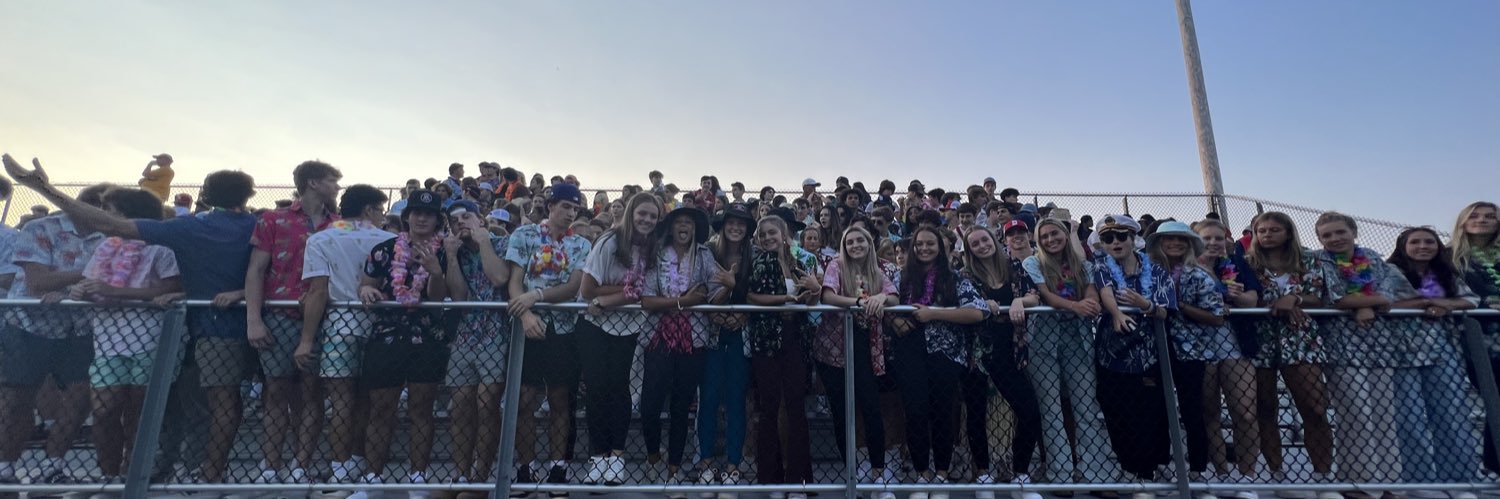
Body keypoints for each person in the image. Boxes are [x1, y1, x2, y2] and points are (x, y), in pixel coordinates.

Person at [6, 155, 258, 484]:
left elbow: (165, 274)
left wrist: (43, 188)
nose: (106, 216)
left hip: (167, 336)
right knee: (123, 409)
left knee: (155, 409)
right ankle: (125, 476)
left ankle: (159, 474)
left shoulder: (180, 232)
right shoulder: (256, 225)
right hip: (130, 337)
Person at [68, 188, 182, 484]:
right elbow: (89, 283)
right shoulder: (105, 247)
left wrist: (121, 293)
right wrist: (78, 291)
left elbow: (172, 288)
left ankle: (131, 473)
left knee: (138, 411)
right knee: (104, 410)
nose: (107, 216)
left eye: (113, 211)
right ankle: (107, 475)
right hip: (106, 340)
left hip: (149, 338)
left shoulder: (161, 248)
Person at [0, 180, 109, 485]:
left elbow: (109, 281)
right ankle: (5, 466)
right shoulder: (41, 228)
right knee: (18, 398)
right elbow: (37, 283)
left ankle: (54, 464)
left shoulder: (108, 237)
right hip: (30, 325)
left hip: (80, 328)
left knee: (80, 397)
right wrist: (87, 277)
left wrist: (75, 284)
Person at [244, 160, 341, 484]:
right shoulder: (274, 219)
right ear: (313, 183)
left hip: (324, 317)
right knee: (276, 391)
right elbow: (257, 270)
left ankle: (301, 465)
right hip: (280, 315)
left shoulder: (339, 224)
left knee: (312, 393)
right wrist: (253, 320)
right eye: (331, 180)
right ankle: (270, 466)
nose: (337, 186)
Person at [350, 189, 452, 490]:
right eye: (416, 212)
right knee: (381, 408)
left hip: (428, 337)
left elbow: (439, 298)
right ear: (407, 216)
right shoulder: (384, 249)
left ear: (437, 219)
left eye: (429, 214)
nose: (422, 218)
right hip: (387, 335)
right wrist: (366, 291)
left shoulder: (445, 252)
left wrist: (435, 272)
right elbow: (367, 285)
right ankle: (372, 479)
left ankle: (417, 479)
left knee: (422, 408)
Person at [296, 185, 394, 485]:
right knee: (371, 399)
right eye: (379, 210)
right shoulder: (390, 239)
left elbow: (318, 291)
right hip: (380, 327)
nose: (381, 216)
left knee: (340, 400)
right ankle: (362, 462)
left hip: (340, 326)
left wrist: (307, 339)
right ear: (368, 209)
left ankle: (340, 468)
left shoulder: (322, 238)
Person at [506, 183, 590, 495]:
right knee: (524, 400)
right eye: (566, 206)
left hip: (564, 330)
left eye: (576, 208)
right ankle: (524, 469)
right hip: (526, 328)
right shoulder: (523, 235)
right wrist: (526, 315)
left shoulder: (581, 243)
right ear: (551, 205)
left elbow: (572, 287)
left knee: (559, 400)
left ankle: (558, 470)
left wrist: (537, 296)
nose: (571, 213)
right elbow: (514, 282)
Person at [889, 225, 985, 499]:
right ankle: (923, 474)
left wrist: (935, 314)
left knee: (943, 411)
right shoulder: (902, 278)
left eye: (930, 244)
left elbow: (977, 312)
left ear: (941, 248)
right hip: (909, 352)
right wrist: (895, 320)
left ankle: (941, 473)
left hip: (945, 351)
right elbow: (886, 303)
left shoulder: (955, 279)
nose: (924, 248)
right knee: (916, 412)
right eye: (919, 244)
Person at [1243, 212, 1334, 498]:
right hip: (1261, 339)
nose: (1267, 235)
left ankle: (1322, 477)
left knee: (1315, 408)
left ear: (1288, 232)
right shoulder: (1248, 264)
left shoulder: (1309, 260)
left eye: (1274, 229)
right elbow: (1249, 296)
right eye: (1261, 230)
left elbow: (1318, 297)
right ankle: (1277, 474)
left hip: (1300, 337)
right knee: (1265, 408)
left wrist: (1293, 299)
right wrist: (1278, 303)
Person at [1385, 226, 1481, 495]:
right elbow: (1384, 303)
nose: (1423, 246)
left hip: (1442, 350)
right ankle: (1419, 482)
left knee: (1452, 414)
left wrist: (1447, 305)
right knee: (1409, 418)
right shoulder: (1389, 272)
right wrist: (1424, 304)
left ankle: (1460, 481)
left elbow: (1471, 299)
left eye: (1429, 241)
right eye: (1415, 242)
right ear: (1403, 246)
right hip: (1401, 352)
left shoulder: (1445, 272)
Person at [1020, 218, 1114, 487]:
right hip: (1043, 341)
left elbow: (1091, 293)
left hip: (1078, 338)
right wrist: (1077, 307)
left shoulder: (1083, 264)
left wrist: (1090, 302)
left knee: (1085, 406)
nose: (1050, 240)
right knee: (1051, 409)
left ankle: (1097, 474)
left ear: (1064, 234)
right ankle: (1060, 474)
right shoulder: (1033, 263)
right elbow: (1047, 297)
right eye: (1045, 236)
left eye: (1055, 234)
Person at [1313, 212, 1402, 493]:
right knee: (1356, 413)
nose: (1334, 239)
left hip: (1378, 345)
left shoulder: (1373, 257)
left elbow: (1389, 291)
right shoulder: (1319, 259)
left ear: (1353, 232)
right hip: (1340, 346)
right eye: (1327, 235)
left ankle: (1391, 481)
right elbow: (1335, 296)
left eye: (1340, 232)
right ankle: (1360, 481)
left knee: (1384, 414)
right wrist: (1367, 304)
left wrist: (1367, 303)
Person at [578, 191, 662, 485]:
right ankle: (597, 457)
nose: (647, 220)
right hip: (595, 327)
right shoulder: (610, 242)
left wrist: (608, 300)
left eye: (653, 216)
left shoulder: (653, 249)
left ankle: (616, 456)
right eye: (643, 214)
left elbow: (642, 294)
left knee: (619, 390)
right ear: (630, 213)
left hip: (627, 327)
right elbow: (588, 289)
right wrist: (618, 295)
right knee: (597, 390)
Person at [639, 207, 725, 491]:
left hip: (695, 339)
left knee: (680, 407)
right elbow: (648, 300)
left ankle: (673, 469)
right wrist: (683, 302)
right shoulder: (657, 253)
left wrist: (729, 285)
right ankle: (653, 456)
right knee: (649, 406)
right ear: (671, 227)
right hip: (658, 338)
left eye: (689, 222)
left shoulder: (704, 255)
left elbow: (712, 292)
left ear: (695, 228)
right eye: (679, 222)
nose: (684, 226)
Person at [1090, 215, 1174, 495]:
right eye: (1108, 238)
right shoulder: (1101, 266)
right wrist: (1116, 313)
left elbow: (1166, 311)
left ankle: (1146, 472)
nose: (1115, 242)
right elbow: (1105, 292)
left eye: (1121, 236)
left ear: (1132, 238)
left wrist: (1146, 305)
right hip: (1111, 354)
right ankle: (1128, 468)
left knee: (1149, 413)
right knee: (1116, 412)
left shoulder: (1157, 270)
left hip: (1148, 354)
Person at [957, 227, 1043, 499]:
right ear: (969, 250)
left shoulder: (1014, 266)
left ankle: (1020, 474)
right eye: (975, 244)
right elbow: (967, 301)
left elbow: (1034, 296)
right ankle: (983, 474)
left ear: (993, 241)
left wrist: (1018, 300)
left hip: (1010, 351)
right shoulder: (966, 274)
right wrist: (984, 302)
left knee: (1029, 410)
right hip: (978, 354)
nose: (982, 246)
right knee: (976, 414)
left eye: (985, 240)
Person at [817, 226, 899, 498]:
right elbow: (828, 296)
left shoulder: (880, 268)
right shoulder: (835, 265)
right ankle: (852, 470)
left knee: (871, 409)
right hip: (832, 350)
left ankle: (878, 473)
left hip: (867, 347)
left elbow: (894, 296)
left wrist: (880, 297)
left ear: (869, 243)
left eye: (860, 240)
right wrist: (859, 302)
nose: (855, 245)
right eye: (849, 241)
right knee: (841, 413)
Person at [746, 214, 820, 497]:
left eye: (771, 233)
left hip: (795, 340)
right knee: (768, 409)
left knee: (796, 409)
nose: (767, 238)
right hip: (767, 342)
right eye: (762, 235)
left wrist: (813, 291)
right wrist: (785, 300)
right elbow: (752, 296)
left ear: (784, 233)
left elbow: (810, 299)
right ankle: (771, 480)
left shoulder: (798, 264)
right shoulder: (760, 262)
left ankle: (799, 480)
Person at [442, 200, 512, 484]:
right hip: (465, 334)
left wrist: (484, 242)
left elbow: (498, 278)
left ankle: (481, 474)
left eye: (467, 217)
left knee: (487, 403)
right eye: (454, 220)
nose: (461, 223)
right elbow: (458, 297)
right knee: (459, 404)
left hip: (496, 334)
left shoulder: (502, 243)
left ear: (480, 220)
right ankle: (461, 474)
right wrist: (450, 257)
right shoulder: (455, 252)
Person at [1147, 221, 1219, 485]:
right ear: (1159, 244)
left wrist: (1180, 305)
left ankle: (1198, 468)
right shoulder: (1148, 273)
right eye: (1169, 240)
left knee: (1192, 410)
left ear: (1189, 244)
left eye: (1181, 240)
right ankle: (1160, 462)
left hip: (1189, 351)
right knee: (1157, 410)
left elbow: (1216, 316)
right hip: (1154, 349)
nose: (1175, 244)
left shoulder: (1199, 275)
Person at [1192, 219, 1262, 493]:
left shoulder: (1236, 264)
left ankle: (1247, 475)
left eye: (1217, 238)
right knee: (1209, 412)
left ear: (1227, 241)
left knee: (1244, 412)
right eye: (1206, 239)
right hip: (1200, 346)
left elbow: (1253, 300)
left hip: (1235, 343)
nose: (1212, 243)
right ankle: (1221, 473)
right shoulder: (1186, 269)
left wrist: (1235, 296)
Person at [695, 203, 755, 493]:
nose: (736, 227)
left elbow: (758, 294)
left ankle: (733, 463)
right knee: (707, 398)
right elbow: (695, 287)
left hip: (740, 334)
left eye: (742, 223)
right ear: (723, 224)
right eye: (731, 221)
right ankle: (705, 461)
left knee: (735, 401)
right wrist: (712, 311)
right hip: (710, 333)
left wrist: (742, 311)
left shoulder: (752, 255)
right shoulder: (706, 251)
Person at [1451, 201, 1500, 472]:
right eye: (1475, 215)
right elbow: (1435, 291)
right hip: (1476, 341)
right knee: (1495, 399)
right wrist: (1483, 305)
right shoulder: (1449, 256)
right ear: (1462, 222)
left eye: (1490, 216)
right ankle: (1494, 466)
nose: (1482, 220)